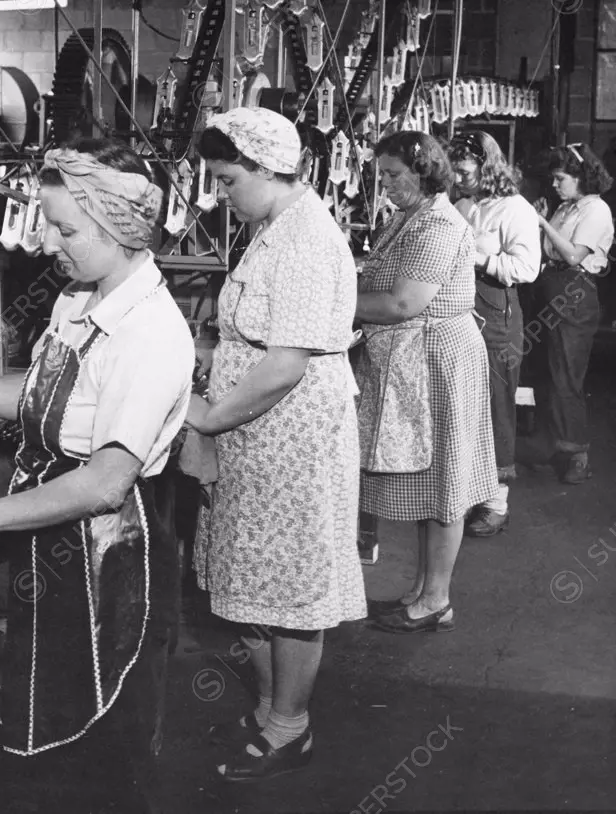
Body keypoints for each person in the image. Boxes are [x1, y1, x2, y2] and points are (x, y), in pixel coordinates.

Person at [0, 138, 195, 813]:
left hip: (105, 552)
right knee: (39, 718)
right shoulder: (79, 298)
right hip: (54, 536)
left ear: (120, 226)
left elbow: (106, 482)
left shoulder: (151, 333)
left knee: (93, 730)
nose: (47, 241)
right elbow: (42, 392)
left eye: (65, 228)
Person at [187, 107, 367, 783]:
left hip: (290, 437)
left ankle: (291, 726)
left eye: (229, 180)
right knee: (255, 578)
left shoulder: (305, 243)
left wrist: (207, 418)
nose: (222, 193)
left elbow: (286, 363)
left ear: (267, 169)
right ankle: (269, 710)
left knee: (289, 585)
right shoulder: (273, 228)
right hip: (259, 434)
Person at [356, 131, 496, 634]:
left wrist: (329, 304)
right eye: (383, 175)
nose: (386, 185)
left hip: (439, 358)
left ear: (423, 170)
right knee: (427, 482)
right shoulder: (410, 216)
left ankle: (436, 599)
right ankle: (423, 590)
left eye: (394, 175)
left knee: (444, 482)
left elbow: (402, 303)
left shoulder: (437, 223)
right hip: (419, 355)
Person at [449, 131, 541, 536]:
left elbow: (526, 269)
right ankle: (473, 492)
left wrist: (477, 257)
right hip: (463, 311)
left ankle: (496, 503)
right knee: (467, 404)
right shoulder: (464, 203)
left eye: (463, 168)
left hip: (498, 315)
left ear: (486, 165)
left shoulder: (513, 209)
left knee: (497, 405)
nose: (455, 175)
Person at [531, 142, 614, 484]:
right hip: (553, 286)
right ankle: (556, 443)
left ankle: (577, 451)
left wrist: (542, 223)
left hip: (576, 292)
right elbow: (550, 252)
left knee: (568, 374)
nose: (554, 185)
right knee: (549, 371)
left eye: (560, 178)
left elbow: (574, 256)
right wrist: (541, 224)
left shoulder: (596, 211)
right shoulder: (566, 207)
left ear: (580, 177)